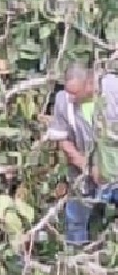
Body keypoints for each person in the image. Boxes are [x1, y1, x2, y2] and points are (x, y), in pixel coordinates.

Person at [47, 63, 118, 245]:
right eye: (68, 92)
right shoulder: (63, 101)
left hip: (114, 170)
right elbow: (63, 140)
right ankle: (75, 258)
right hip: (82, 175)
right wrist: (86, 166)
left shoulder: (112, 88)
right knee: (76, 220)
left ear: (89, 84)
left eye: (75, 93)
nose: (70, 98)